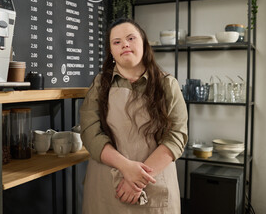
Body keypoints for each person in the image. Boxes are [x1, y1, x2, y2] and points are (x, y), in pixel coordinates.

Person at [80, 18, 188, 213]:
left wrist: (137, 181)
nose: (125, 44)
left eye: (131, 38)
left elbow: (176, 135)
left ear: (144, 44)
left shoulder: (167, 84)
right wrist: (126, 167)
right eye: (117, 42)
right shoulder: (100, 84)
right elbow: (90, 132)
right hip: (107, 184)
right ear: (111, 51)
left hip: (154, 184)